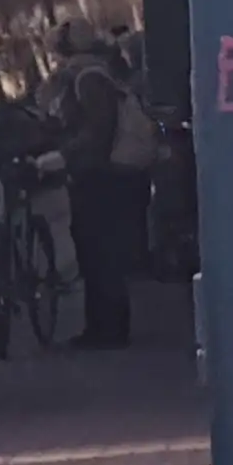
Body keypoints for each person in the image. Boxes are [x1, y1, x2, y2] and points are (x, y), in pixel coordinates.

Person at [43, 35, 153, 348]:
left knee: (99, 254)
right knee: (96, 254)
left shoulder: (88, 79)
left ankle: (108, 330)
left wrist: (66, 156)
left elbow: (97, 131)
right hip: (99, 175)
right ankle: (103, 327)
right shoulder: (91, 76)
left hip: (101, 178)